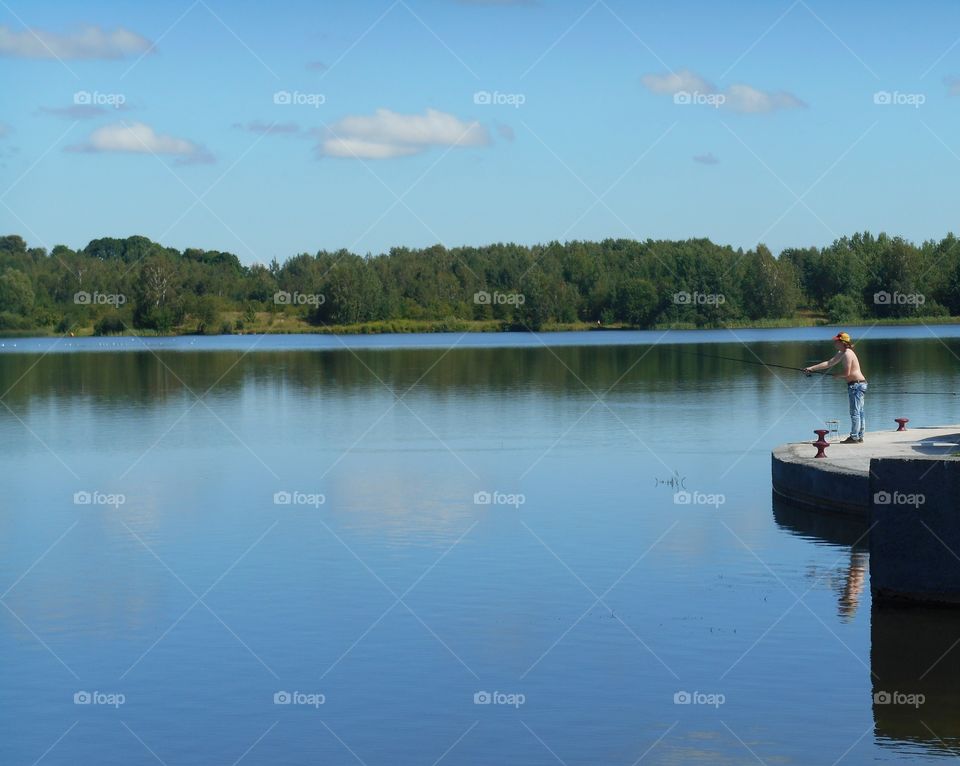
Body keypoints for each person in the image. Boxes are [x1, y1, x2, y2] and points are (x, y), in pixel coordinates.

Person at [803, 332, 868, 443]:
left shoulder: (847, 353)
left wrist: (837, 375)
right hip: (857, 384)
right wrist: (812, 368)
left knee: (855, 412)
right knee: (859, 411)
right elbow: (829, 363)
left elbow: (847, 373)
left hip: (856, 385)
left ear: (842, 342)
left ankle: (854, 437)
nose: (834, 342)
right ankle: (859, 436)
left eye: (836, 341)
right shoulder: (842, 352)